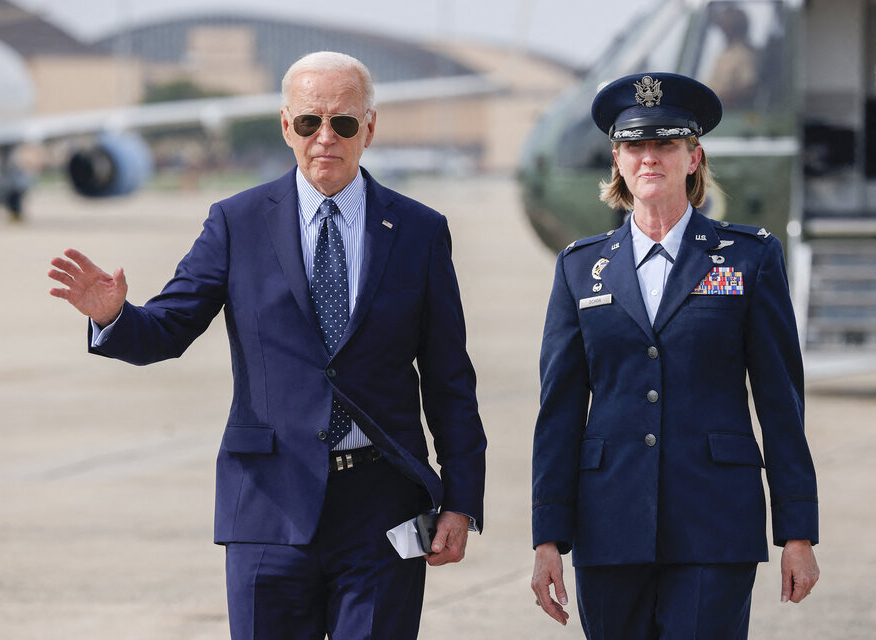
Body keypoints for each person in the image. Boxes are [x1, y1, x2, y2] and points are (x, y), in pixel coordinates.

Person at [48, 51, 486, 640]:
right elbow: (169, 328)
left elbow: (448, 378)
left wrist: (460, 499)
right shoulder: (237, 221)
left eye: (344, 122)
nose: (325, 137)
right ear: (287, 126)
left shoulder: (419, 230)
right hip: (267, 504)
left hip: (384, 505)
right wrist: (114, 317)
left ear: (370, 128)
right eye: (309, 122)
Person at [529, 72, 819, 639]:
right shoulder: (578, 268)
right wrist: (547, 537)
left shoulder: (749, 259)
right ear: (617, 160)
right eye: (635, 146)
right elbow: (558, 410)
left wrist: (797, 532)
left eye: (666, 144)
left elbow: (781, 403)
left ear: (694, 157)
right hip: (608, 523)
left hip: (715, 521)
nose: (650, 159)